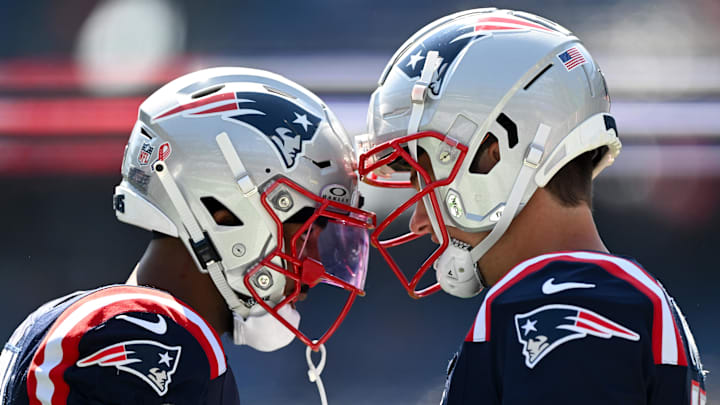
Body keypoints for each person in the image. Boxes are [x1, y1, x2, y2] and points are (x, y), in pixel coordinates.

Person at [356, 8, 707, 404]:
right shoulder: (602, 296)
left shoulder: (566, 301)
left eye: (428, 178)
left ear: (494, 156)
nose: (419, 221)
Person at [0, 67, 374, 404]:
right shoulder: (152, 334)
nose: (315, 268)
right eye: (306, 234)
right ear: (223, 211)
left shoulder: (67, 319)